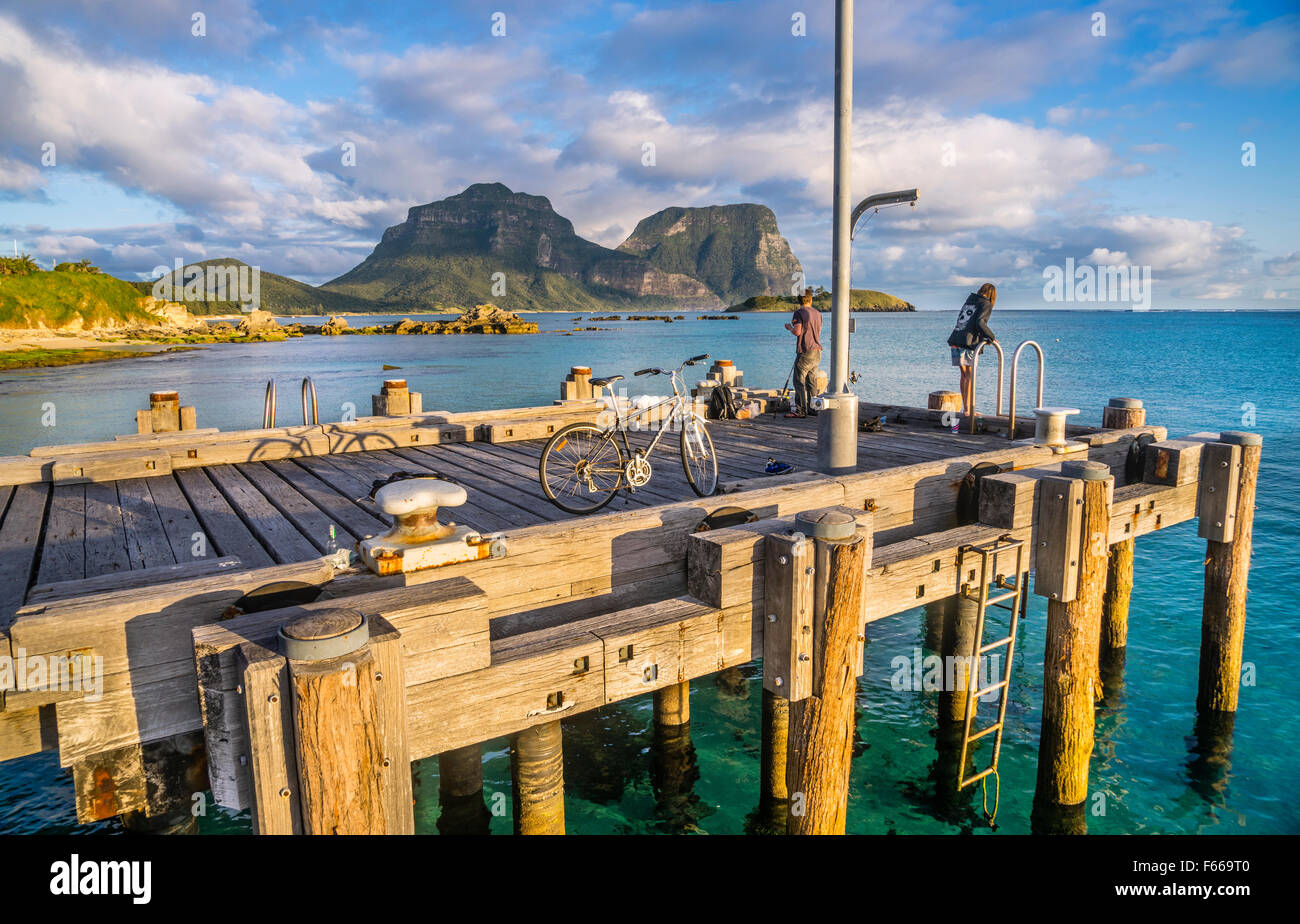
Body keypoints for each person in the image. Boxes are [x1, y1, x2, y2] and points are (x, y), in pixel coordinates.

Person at [947, 282, 998, 416]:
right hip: (967, 343)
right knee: (969, 377)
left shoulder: (970, 300)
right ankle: (969, 410)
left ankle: (966, 409)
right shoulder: (986, 304)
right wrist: (991, 337)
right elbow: (980, 322)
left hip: (956, 339)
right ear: (992, 295)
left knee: (964, 376)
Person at [784, 288, 822, 418]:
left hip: (805, 351)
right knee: (811, 381)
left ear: (799, 300)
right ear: (810, 299)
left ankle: (800, 410)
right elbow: (818, 331)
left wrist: (790, 328)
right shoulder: (817, 313)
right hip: (817, 351)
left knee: (798, 381)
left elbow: (798, 332)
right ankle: (814, 408)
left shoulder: (799, 313)